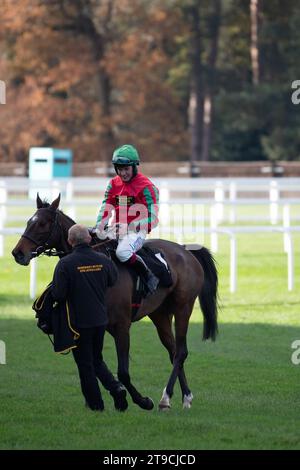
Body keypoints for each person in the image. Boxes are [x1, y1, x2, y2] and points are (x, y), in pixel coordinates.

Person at [51, 224, 128, 412]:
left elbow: (59, 294)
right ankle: (116, 387)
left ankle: (96, 406)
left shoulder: (65, 263)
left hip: (78, 323)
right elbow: (112, 280)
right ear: (88, 239)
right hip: (101, 320)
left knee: (85, 364)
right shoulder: (103, 259)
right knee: (96, 359)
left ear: (70, 241)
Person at [95, 144, 159, 294]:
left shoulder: (147, 187)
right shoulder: (113, 184)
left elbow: (153, 218)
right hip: (115, 228)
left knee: (122, 252)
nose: (122, 173)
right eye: (119, 169)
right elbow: (107, 205)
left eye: (126, 169)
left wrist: (130, 226)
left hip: (136, 232)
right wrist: (100, 224)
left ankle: (148, 275)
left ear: (134, 167)